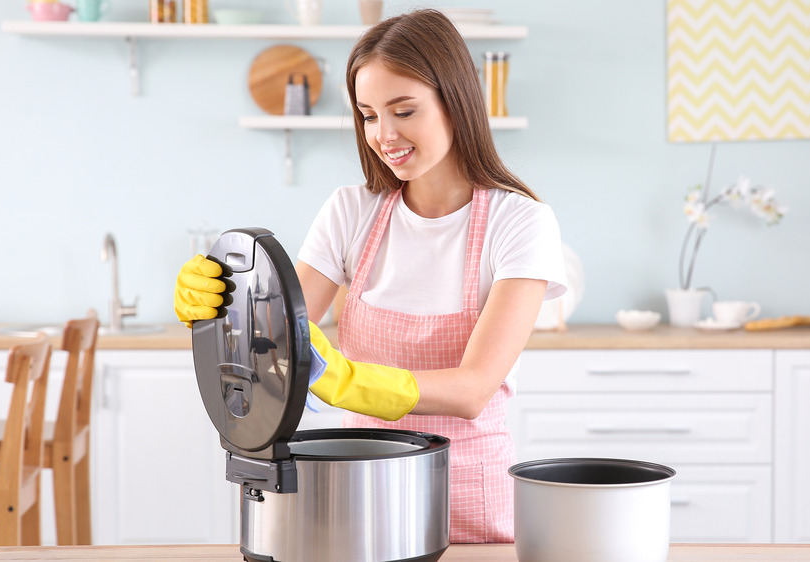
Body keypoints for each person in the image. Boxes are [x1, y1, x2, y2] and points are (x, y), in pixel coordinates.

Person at [174, 9, 566, 544]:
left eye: (404, 111)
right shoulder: (350, 212)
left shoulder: (519, 221)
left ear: (456, 102)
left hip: (470, 497)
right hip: (360, 491)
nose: (384, 135)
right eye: (368, 115)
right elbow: (273, 342)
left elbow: (475, 388)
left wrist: (347, 381)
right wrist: (222, 310)